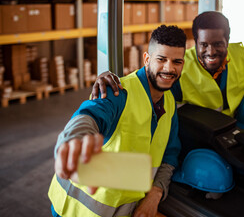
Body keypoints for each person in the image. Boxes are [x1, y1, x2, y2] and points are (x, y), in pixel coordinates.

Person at [92, 12, 244, 217]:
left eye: (218, 43)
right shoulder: (179, 67)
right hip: (217, 139)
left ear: (227, 41)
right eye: (203, 44)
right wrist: (110, 77)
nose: (210, 51)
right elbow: (150, 77)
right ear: (194, 43)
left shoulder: (242, 56)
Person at [48, 25, 187, 217]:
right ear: (146, 59)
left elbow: (169, 155)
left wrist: (155, 193)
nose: (169, 68)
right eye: (161, 59)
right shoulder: (117, 91)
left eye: (176, 62)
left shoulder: (169, 102)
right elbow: (90, 115)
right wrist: (73, 140)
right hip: (76, 210)